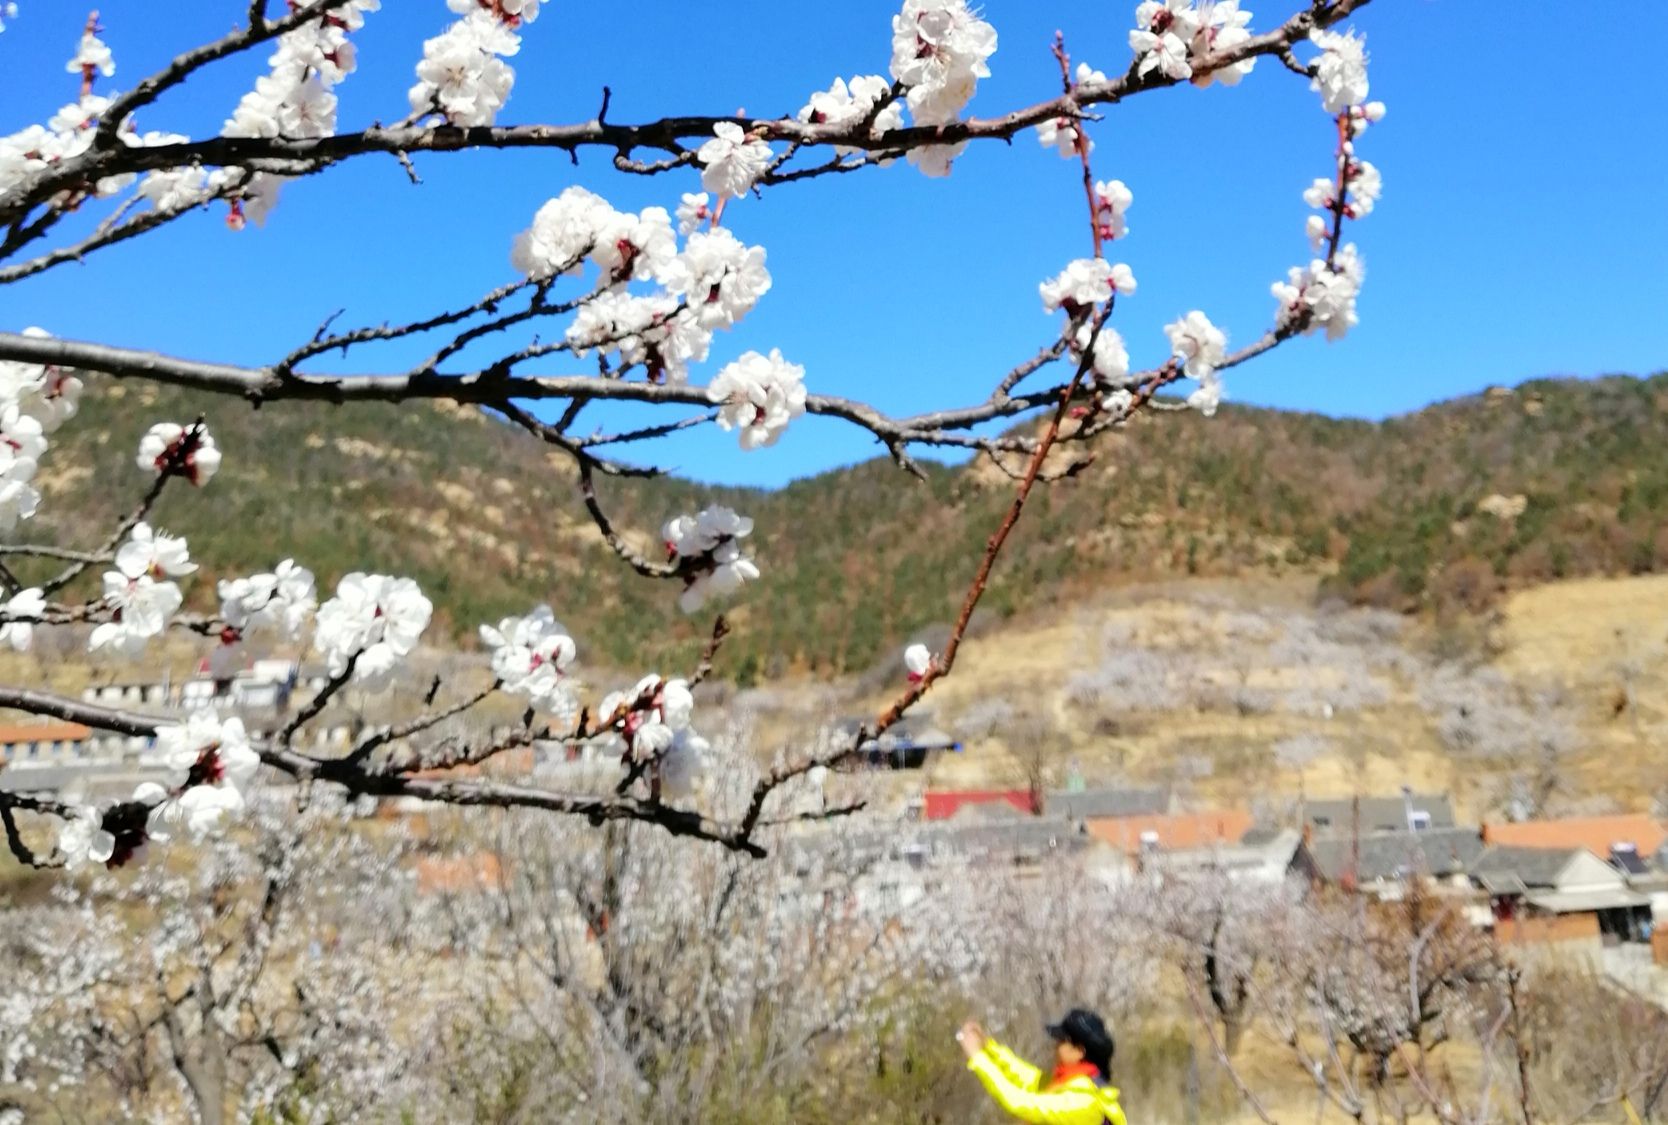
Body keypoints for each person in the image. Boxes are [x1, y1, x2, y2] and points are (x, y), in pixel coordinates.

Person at [958, 1008, 1127, 1125]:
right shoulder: (1068, 1083)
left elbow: (1018, 1102)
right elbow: (1025, 1075)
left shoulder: (1084, 1102)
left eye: (1062, 1040)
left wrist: (977, 1057)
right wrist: (988, 1045)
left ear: (1079, 1051)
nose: (1056, 1045)